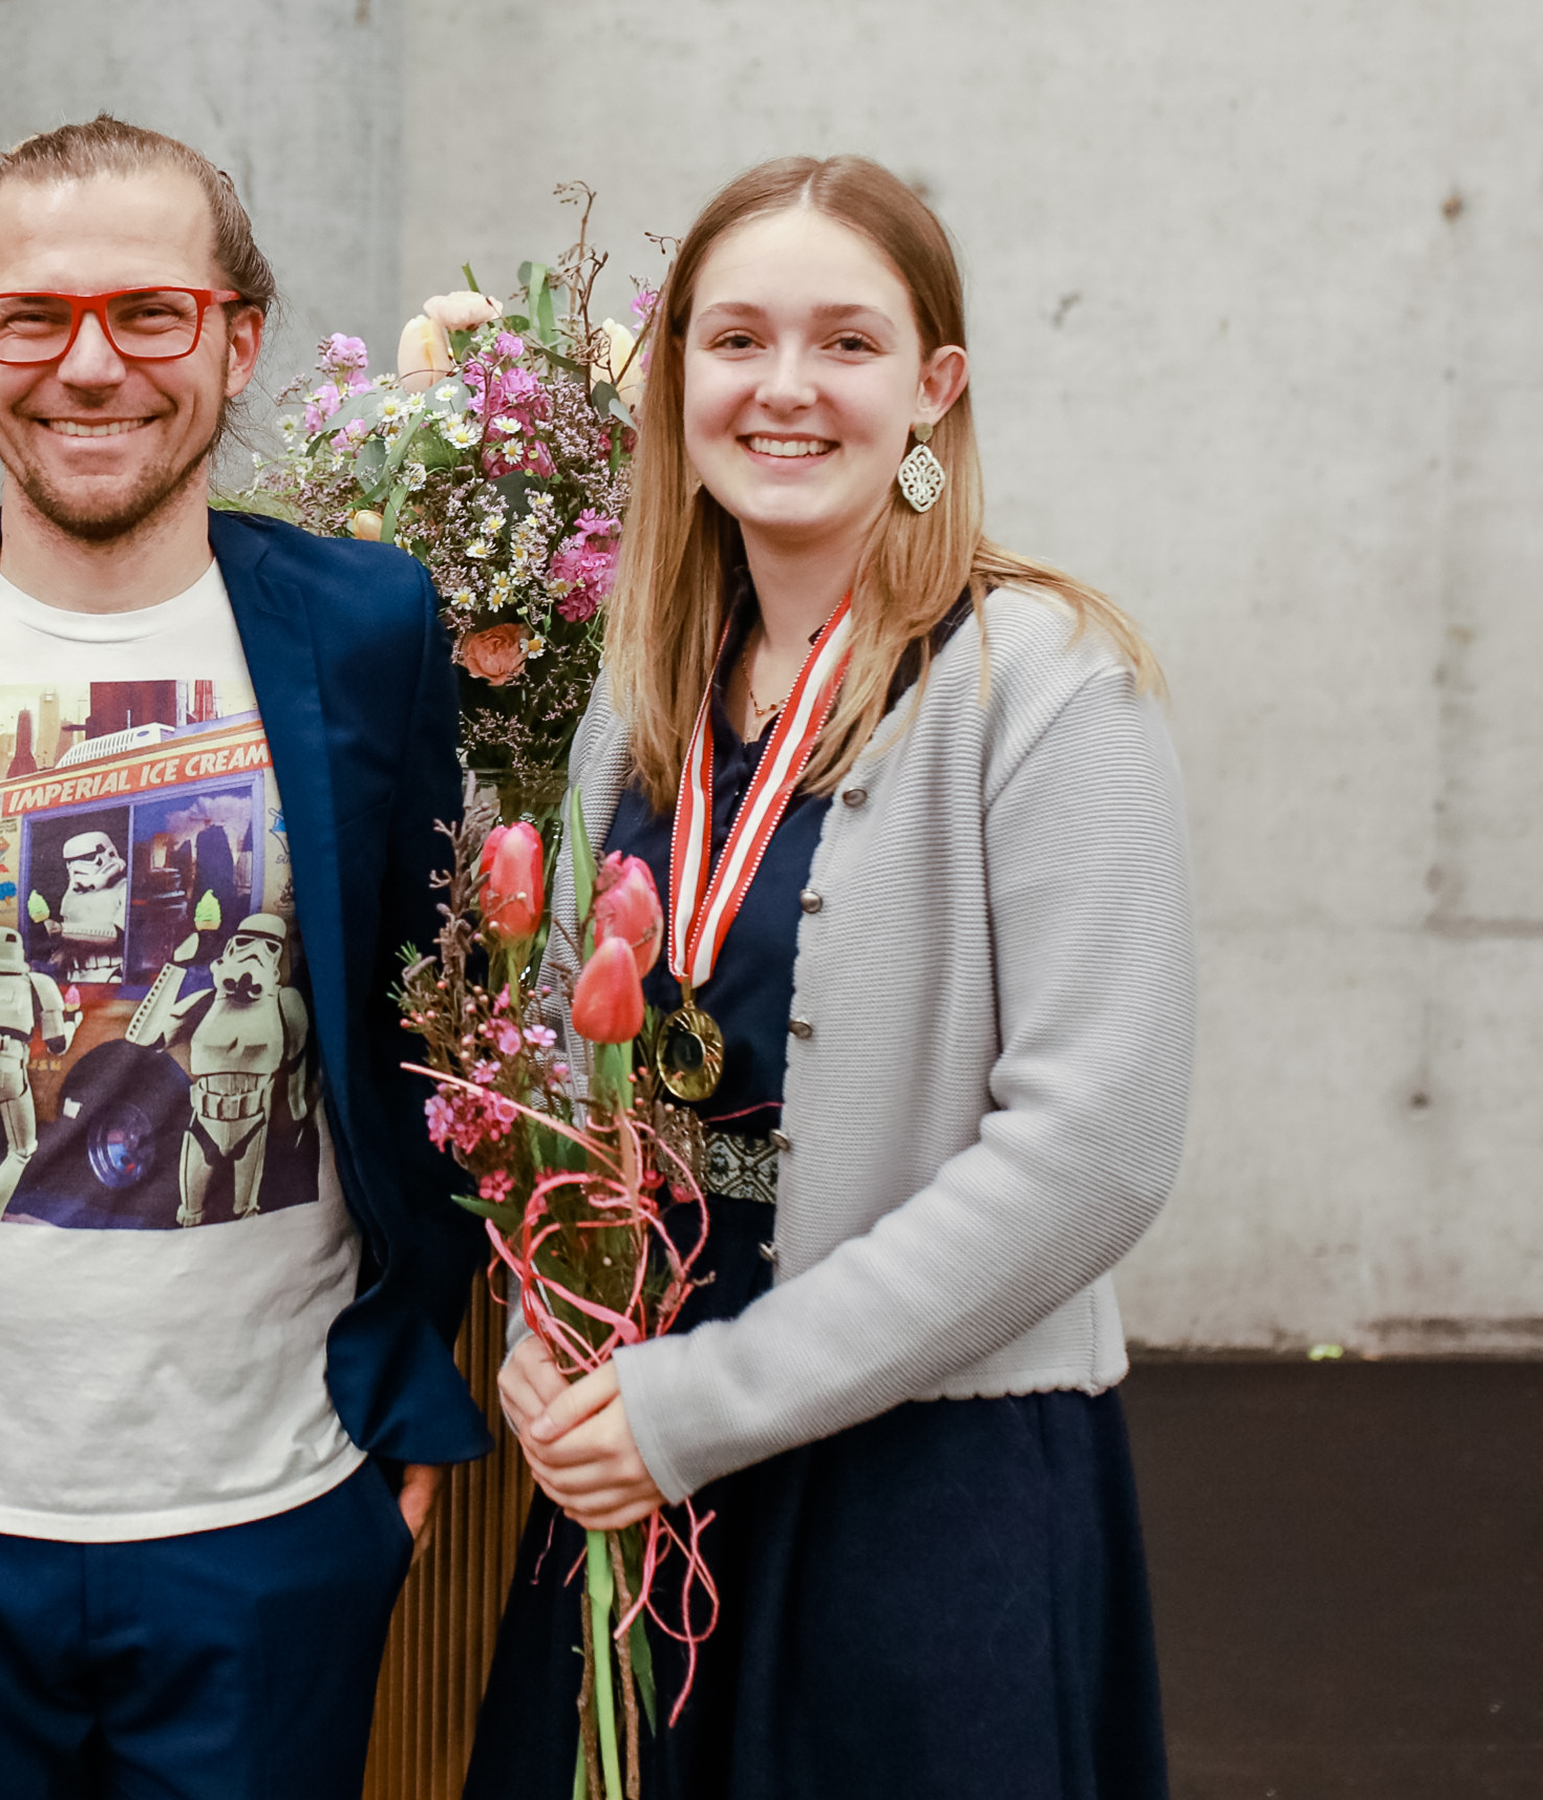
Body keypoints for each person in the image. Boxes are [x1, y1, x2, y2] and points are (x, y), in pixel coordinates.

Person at [0, 115, 487, 1797]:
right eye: (33, 317)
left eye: (151, 312)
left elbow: (434, 1031)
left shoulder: (367, 628)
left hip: (272, 1512)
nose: (90, 367)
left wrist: (411, 1389)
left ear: (239, 334)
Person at [465, 155, 1191, 1799]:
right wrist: (542, 1312)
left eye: (847, 344)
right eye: (737, 341)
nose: (784, 389)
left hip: (919, 1485)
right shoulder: (640, 692)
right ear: (678, 378)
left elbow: (1094, 1151)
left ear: (935, 386)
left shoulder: (1048, 688)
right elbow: (569, 1070)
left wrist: (702, 1404)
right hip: (640, 1449)